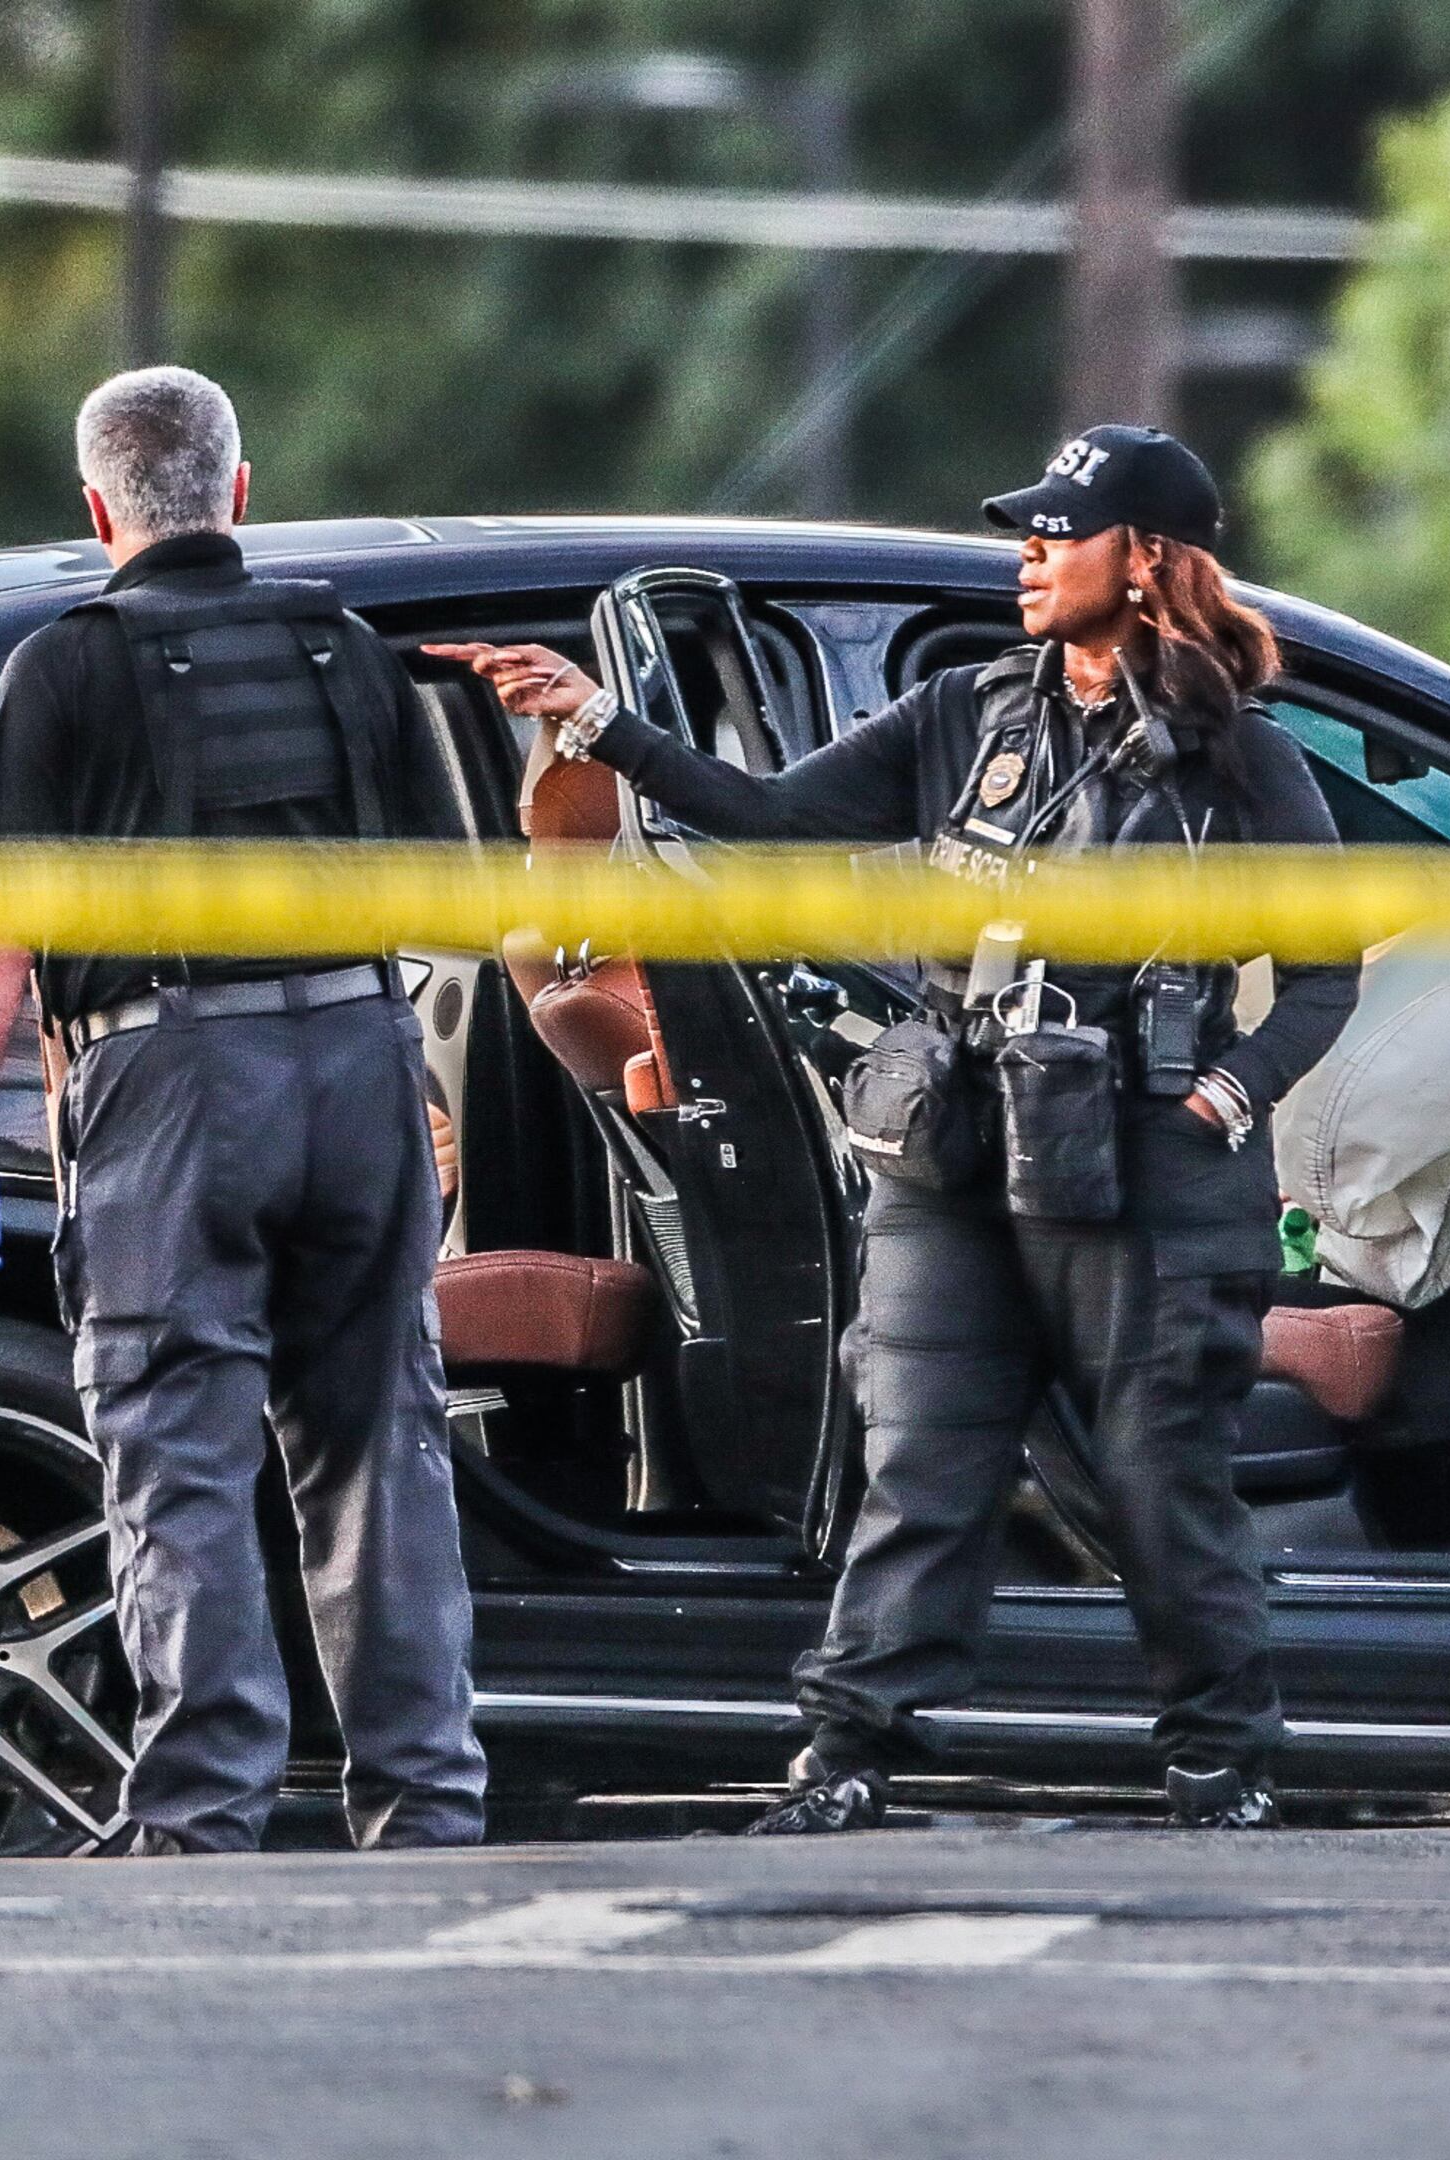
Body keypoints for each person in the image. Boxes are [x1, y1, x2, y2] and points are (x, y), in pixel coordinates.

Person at [433, 425, 1355, 1831]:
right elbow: (765, 815)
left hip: (1150, 1160)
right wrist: (597, 718)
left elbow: (1332, 971)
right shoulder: (967, 714)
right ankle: (846, 1754)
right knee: (920, 1456)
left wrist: (1238, 1088)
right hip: (956, 1139)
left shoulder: (1239, 757)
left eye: (1063, 531)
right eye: (1029, 529)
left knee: (1162, 1482)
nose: (1032, 554)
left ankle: (1222, 1764)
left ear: (1153, 560)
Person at [0, 366, 486, 1855]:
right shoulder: (344, 645)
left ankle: (202, 1817)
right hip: (359, 1060)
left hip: (170, 1085)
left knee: (178, 1446)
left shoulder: (65, 668)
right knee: (382, 1440)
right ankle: (425, 1801)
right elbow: (449, 897)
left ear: (98, 506)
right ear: (239, 491)